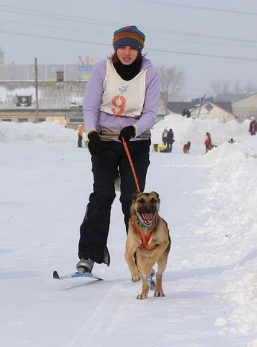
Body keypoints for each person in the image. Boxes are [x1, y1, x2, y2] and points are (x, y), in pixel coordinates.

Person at [76, 25, 160, 274]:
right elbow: (90, 106)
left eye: (132, 48)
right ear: (115, 48)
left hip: (135, 142)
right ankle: (88, 255)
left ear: (139, 50)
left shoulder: (150, 73)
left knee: (133, 201)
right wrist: (91, 134)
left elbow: (150, 113)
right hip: (104, 140)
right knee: (101, 196)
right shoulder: (102, 69)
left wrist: (133, 129)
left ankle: (140, 257)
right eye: (122, 47)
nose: (126, 52)